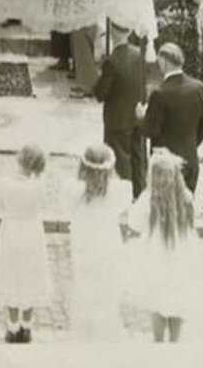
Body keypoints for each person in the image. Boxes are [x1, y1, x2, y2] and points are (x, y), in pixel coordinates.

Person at [124, 150, 203, 343]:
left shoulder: (147, 198)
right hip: (181, 254)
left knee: (157, 301)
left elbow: (135, 224)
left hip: (155, 256)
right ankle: (174, 342)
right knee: (177, 299)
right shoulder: (186, 197)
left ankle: (158, 342)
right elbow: (192, 224)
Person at [63, 144, 132, 341]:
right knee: (107, 289)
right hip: (107, 243)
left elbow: (67, 205)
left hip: (84, 243)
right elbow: (124, 200)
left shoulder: (75, 190)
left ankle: (87, 330)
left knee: (84, 286)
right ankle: (104, 330)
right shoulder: (119, 190)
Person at [0, 145, 52, 343]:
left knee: (12, 276)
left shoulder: (5, 184)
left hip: (12, 231)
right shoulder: (38, 187)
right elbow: (44, 203)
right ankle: (26, 326)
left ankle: (12, 326)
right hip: (32, 233)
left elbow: (1, 204)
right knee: (29, 276)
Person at [137, 43, 203, 192]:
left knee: (164, 209)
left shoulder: (160, 93)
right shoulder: (200, 88)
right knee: (186, 209)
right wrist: (190, 145)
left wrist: (141, 118)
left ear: (164, 61)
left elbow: (151, 130)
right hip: (190, 158)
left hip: (165, 163)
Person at [92, 22, 146, 198]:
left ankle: (123, 197)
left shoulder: (112, 61)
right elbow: (142, 84)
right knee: (138, 158)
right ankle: (138, 194)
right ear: (129, 31)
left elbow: (100, 93)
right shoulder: (138, 54)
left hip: (117, 118)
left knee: (120, 159)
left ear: (113, 33)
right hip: (136, 115)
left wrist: (98, 71)